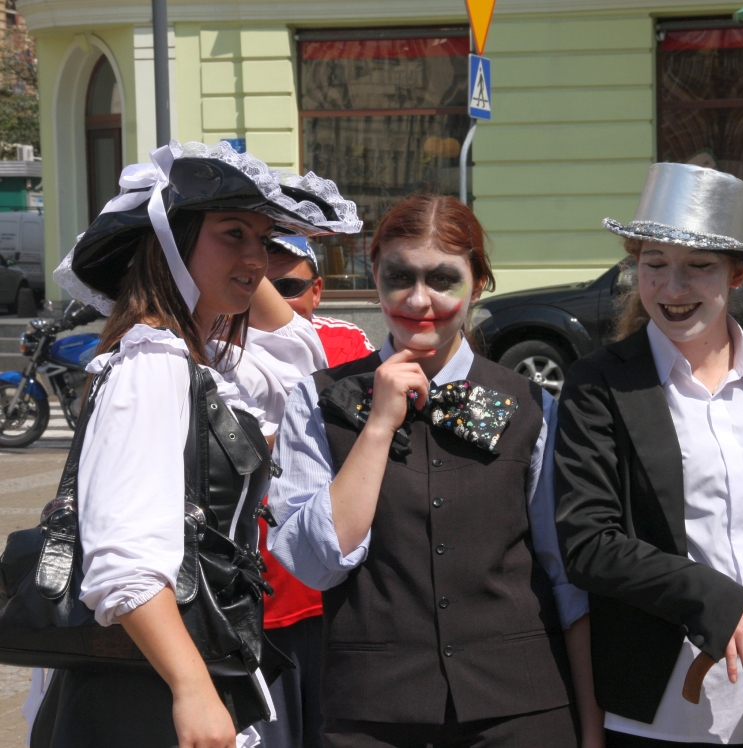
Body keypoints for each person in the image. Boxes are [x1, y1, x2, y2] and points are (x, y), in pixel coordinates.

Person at [29, 140, 354, 748]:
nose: (258, 258)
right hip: (148, 688)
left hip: (193, 660)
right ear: (172, 242)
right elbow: (123, 556)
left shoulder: (199, 361)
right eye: (232, 234)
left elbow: (298, 364)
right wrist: (191, 687)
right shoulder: (151, 364)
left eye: (265, 240)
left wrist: (236, 255)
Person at [267, 194, 605, 748]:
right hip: (373, 713)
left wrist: (591, 726)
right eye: (399, 276)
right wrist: (378, 427)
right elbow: (314, 564)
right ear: (374, 278)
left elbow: (567, 579)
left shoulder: (530, 404)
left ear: (478, 285)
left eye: (443, 279)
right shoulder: (318, 399)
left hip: (522, 708)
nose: (419, 299)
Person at [554, 163, 743, 748]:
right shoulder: (599, 384)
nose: (672, 288)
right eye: (654, 264)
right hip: (663, 711)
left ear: (736, 274)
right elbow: (588, 543)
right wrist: (718, 602)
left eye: (698, 267)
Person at [254, 234, 373, 748]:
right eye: (258, 282)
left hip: (331, 598)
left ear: (318, 290)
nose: (272, 300)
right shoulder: (202, 342)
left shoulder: (340, 342)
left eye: (287, 287)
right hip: (247, 606)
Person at [267, 235, 375, 365]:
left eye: (288, 286)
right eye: (258, 289)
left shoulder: (345, 341)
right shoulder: (240, 347)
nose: (272, 301)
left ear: (315, 292)